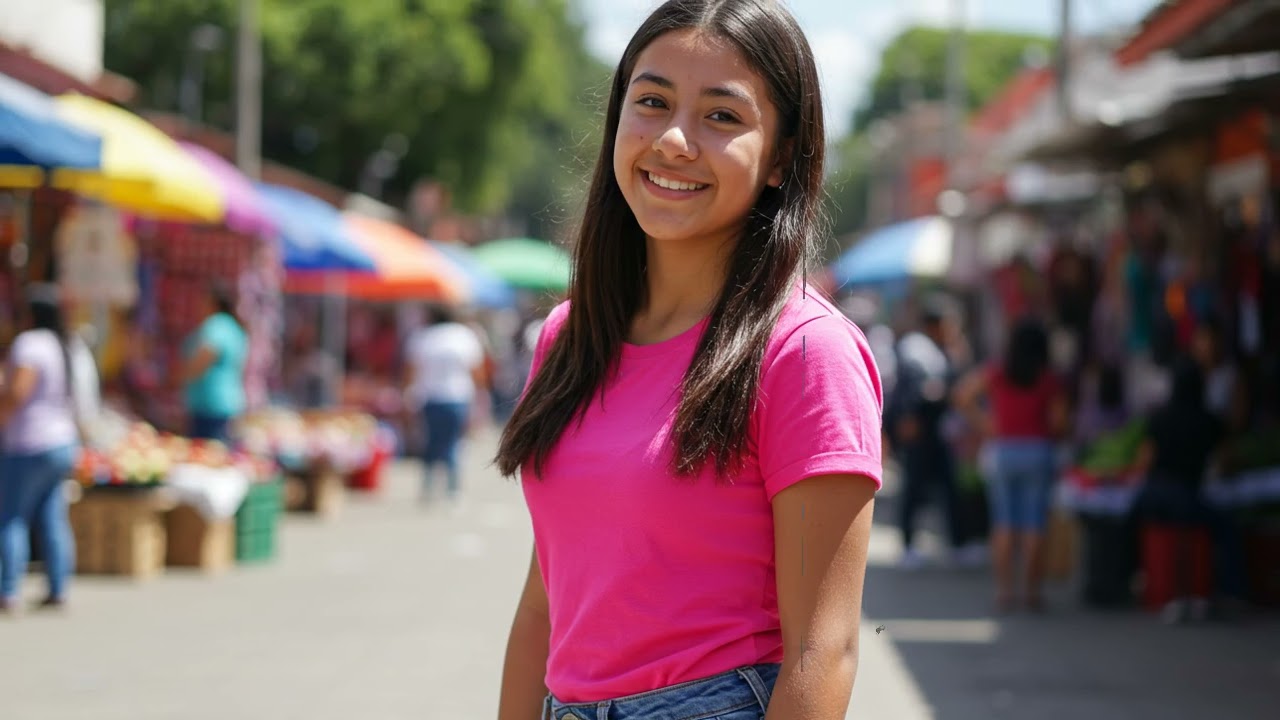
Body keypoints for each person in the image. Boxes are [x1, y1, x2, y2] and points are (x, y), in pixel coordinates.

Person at [494, 2, 882, 716]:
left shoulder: (803, 353)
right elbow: (546, 604)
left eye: (722, 117)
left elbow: (823, 651)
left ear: (781, 159)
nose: (673, 140)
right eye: (651, 102)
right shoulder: (567, 337)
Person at [954, 318, 1067, 613]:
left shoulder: (997, 371)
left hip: (1003, 451)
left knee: (1003, 524)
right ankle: (1031, 593)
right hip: (1038, 451)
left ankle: (1004, 592)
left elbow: (962, 395)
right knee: (1034, 525)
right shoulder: (1048, 379)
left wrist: (986, 424)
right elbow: (1058, 422)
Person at [0, 285, 96, 613]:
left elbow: (17, 392)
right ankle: (58, 587)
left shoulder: (30, 344)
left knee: (11, 517)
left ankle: (8, 589)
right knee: (52, 517)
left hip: (28, 442)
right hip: (61, 442)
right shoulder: (65, 344)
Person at [1130, 358, 1243, 623]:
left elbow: (1144, 459)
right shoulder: (1210, 421)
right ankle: (1232, 589)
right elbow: (1228, 462)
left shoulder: (1158, 418)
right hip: (1187, 498)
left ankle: (1133, 576)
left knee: (1127, 524)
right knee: (1227, 526)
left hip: (1153, 496)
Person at [885, 300, 966, 569]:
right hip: (918, 429)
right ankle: (909, 545)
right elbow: (915, 388)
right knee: (915, 487)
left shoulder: (938, 348)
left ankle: (957, 543)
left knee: (947, 486)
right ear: (936, 324)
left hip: (936, 430)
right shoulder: (917, 348)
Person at [403, 304, 484, 507]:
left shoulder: (423, 337)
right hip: (458, 396)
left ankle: (428, 487)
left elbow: (411, 370)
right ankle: (453, 489)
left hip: (430, 397)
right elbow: (476, 370)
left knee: (431, 442)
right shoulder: (463, 336)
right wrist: (481, 395)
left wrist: (407, 395)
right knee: (454, 442)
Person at [178, 282, 248, 443]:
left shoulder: (217, 324)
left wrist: (181, 376)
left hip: (211, 404)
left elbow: (205, 356)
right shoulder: (233, 326)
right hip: (226, 402)